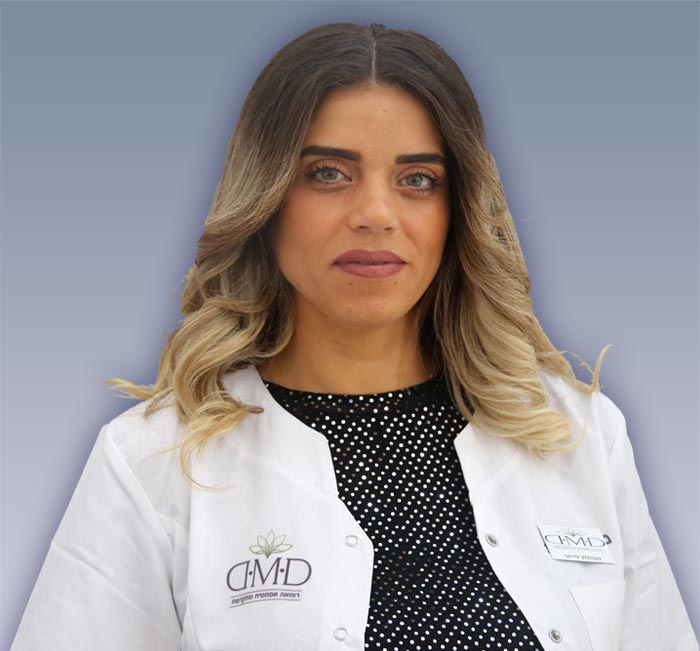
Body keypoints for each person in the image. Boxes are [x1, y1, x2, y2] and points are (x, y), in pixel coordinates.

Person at [11, 21, 697, 651]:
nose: (375, 213)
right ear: (266, 198)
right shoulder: (154, 462)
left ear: (457, 211)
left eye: (417, 179)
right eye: (328, 174)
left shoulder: (579, 438)